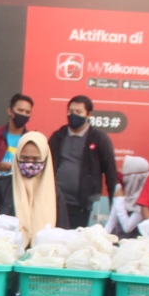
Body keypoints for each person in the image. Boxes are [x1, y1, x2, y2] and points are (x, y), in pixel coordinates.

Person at [0, 131, 70, 245]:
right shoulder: (1, 187)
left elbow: (62, 234)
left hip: (42, 258)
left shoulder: (55, 193)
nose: (30, 163)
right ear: (17, 157)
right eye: (25, 158)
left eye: (36, 159)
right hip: (6, 256)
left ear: (46, 159)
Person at [48, 95, 118, 228]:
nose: (73, 115)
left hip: (81, 204)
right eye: (71, 111)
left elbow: (111, 172)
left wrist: (113, 203)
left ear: (89, 114)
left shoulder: (99, 138)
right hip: (54, 201)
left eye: (79, 112)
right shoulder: (58, 136)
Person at [106, 156, 149, 238]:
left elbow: (127, 227)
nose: (120, 171)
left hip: (133, 244)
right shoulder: (120, 190)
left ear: (134, 177)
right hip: (116, 239)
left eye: (124, 168)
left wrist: (120, 200)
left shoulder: (144, 198)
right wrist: (102, 236)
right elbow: (112, 221)